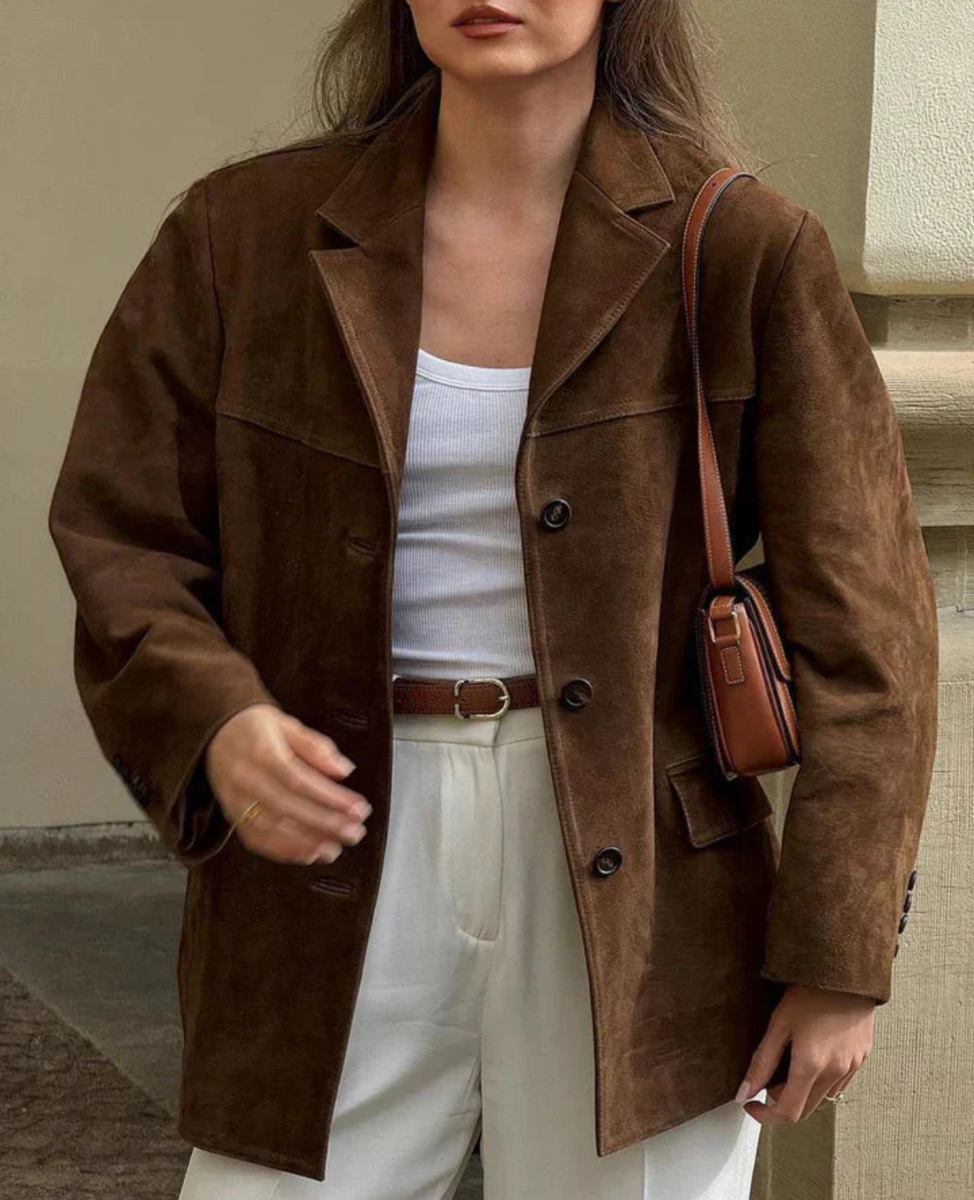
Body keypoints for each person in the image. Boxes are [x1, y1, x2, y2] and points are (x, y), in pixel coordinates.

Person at [47, 2, 939, 1198]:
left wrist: (838, 956)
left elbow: (868, 634)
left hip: (645, 877)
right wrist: (214, 717)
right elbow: (120, 530)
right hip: (337, 836)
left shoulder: (740, 249)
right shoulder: (242, 235)